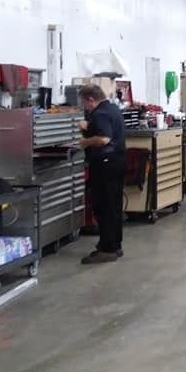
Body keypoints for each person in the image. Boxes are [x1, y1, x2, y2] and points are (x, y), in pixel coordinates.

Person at [78, 84, 126, 264]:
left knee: (104, 206)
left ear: (91, 99)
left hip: (105, 165)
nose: (85, 107)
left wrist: (84, 141)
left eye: (85, 103)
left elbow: (104, 138)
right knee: (114, 206)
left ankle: (108, 248)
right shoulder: (113, 108)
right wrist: (87, 127)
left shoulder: (100, 113)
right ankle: (115, 244)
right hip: (117, 162)